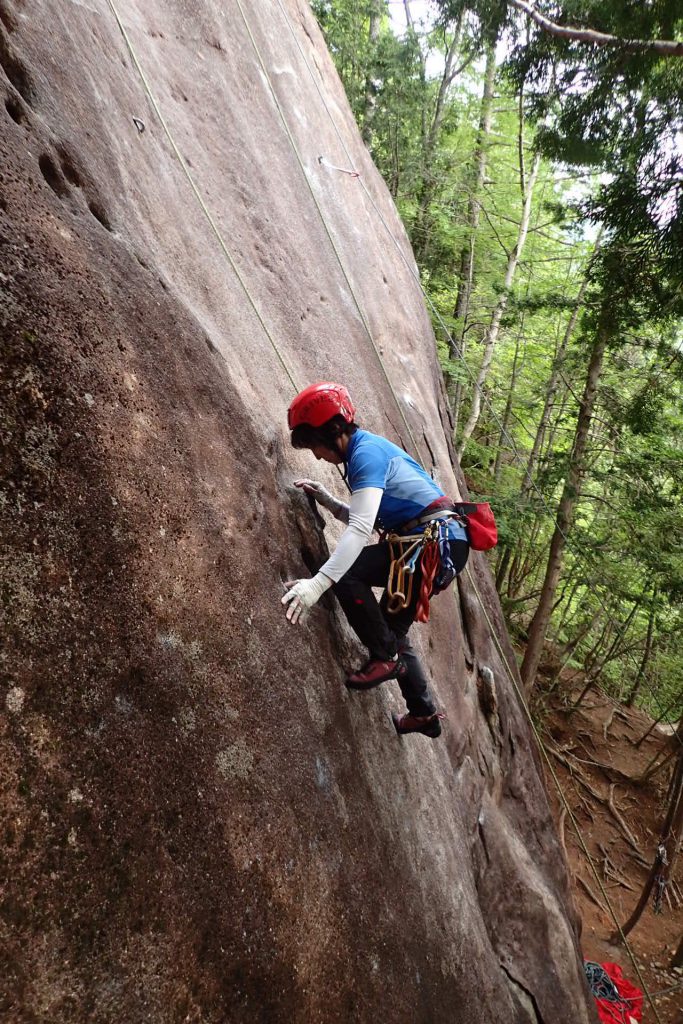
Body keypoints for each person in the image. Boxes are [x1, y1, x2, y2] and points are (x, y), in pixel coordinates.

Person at [281, 382, 469, 738]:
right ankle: (424, 715)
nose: (318, 456)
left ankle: (386, 659)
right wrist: (330, 502)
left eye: (315, 445)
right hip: (436, 543)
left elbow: (361, 529)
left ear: (332, 431)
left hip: (427, 544)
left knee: (347, 575)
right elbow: (368, 516)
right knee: (391, 635)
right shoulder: (363, 451)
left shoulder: (365, 454)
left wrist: (317, 585)